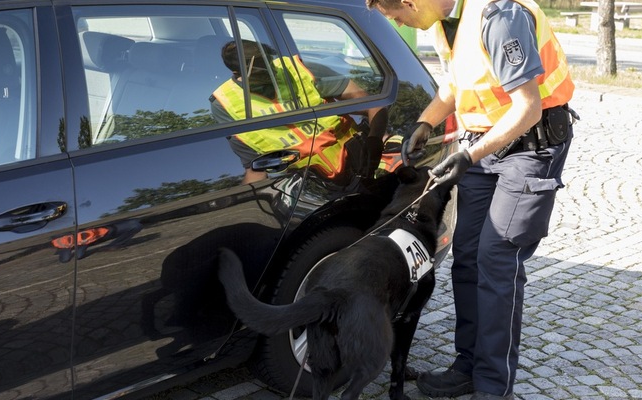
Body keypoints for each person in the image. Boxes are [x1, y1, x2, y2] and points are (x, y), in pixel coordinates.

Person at [366, 0, 576, 399]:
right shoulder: (445, 22)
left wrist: (468, 156)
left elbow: (528, 107)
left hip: (530, 148)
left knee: (497, 260)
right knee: (467, 257)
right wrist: (426, 121)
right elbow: (455, 84)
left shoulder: (500, 17)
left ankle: (494, 387)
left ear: (411, 2)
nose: (397, 22)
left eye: (395, 15)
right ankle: (468, 365)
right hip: (484, 146)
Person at [210, 39, 386, 184]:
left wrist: (375, 141)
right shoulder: (226, 105)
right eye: (261, 70)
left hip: (361, 165)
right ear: (238, 73)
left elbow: (373, 104)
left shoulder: (299, 69)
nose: (271, 71)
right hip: (310, 189)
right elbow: (255, 169)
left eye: (270, 63)